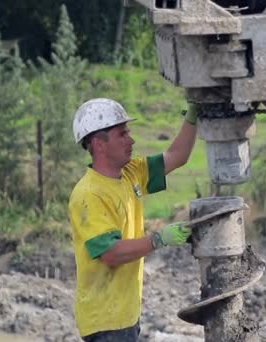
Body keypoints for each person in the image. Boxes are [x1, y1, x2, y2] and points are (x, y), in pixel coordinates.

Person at [68, 98, 197, 341]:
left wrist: (192, 117)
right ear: (99, 143)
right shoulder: (89, 195)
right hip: (105, 320)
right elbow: (111, 254)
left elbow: (177, 155)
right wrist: (159, 239)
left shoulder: (131, 173)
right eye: (122, 134)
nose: (132, 140)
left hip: (126, 313)